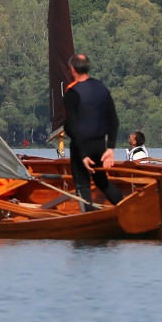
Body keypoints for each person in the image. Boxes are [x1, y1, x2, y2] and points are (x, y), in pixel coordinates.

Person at [62, 53, 123, 211]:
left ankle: (90, 224)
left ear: (72, 69)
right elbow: (114, 120)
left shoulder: (71, 93)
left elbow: (73, 128)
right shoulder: (101, 87)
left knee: (83, 186)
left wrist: (82, 155)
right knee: (103, 182)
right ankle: (127, 209)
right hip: (100, 145)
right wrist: (110, 148)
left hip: (81, 146)